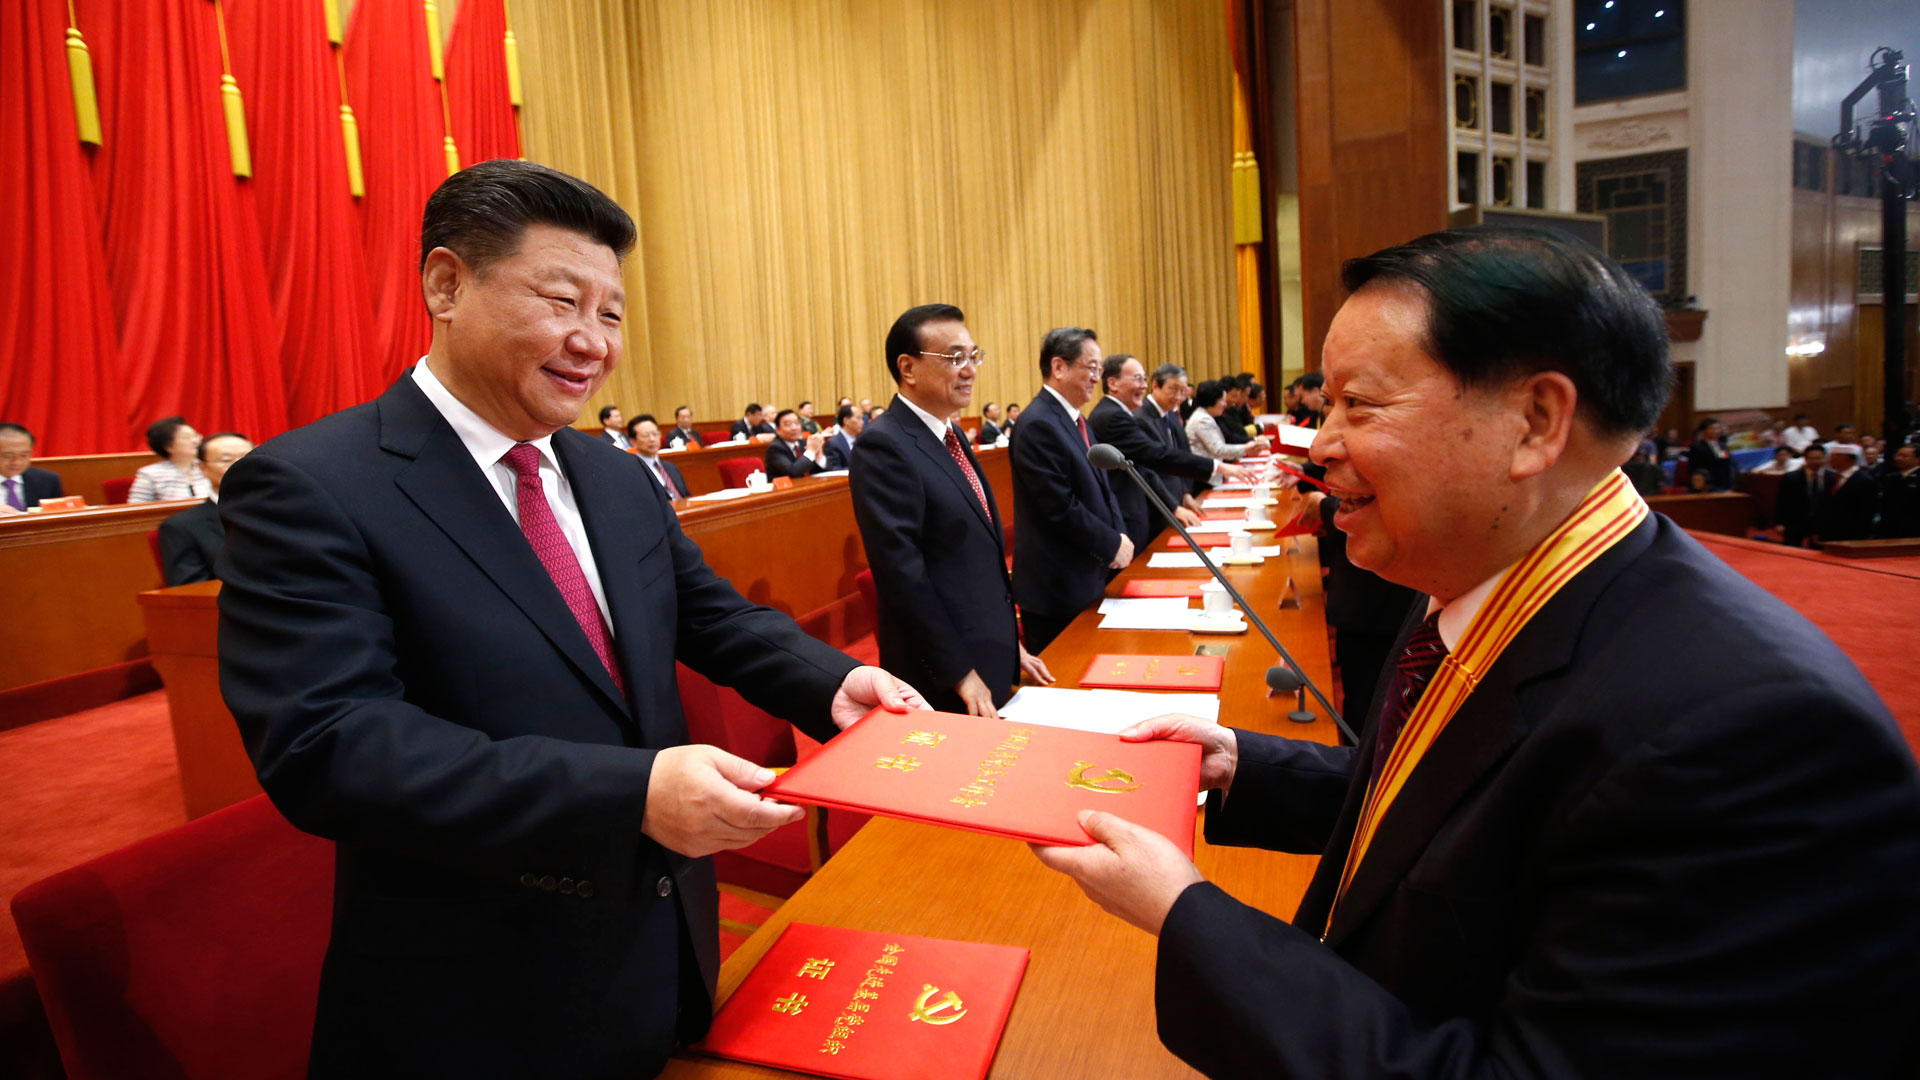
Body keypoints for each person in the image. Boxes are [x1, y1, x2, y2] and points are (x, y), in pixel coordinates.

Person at [1030, 226, 1920, 1077]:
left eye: (1358, 405)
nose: (1321, 445)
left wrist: (1188, 916)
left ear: (1535, 421)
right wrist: (1243, 765)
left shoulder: (1751, 738)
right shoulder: (1481, 585)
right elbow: (1455, 809)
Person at [214, 161, 925, 1078]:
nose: (592, 342)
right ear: (446, 285)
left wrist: (834, 681)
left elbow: (705, 614)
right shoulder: (311, 485)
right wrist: (629, 795)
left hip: (661, 944)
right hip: (478, 991)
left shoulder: (612, 476)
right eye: (562, 302)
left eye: (612, 314)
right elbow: (330, 747)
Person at [851, 304, 1053, 716]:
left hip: (988, 652)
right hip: (943, 681)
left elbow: (975, 556)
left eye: (973, 355)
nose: (970, 370)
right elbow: (903, 576)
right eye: (955, 357)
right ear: (908, 368)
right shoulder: (884, 445)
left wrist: (1009, 643)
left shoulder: (951, 434)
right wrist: (959, 672)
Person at [1009, 327, 1132, 654]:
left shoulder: (1077, 419)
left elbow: (1105, 487)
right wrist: (1110, 543)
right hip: (1056, 587)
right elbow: (1058, 507)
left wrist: (1120, 535)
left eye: (1099, 369)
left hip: (1086, 574)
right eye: (1091, 367)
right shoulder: (1037, 424)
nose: (1096, 378)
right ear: (1059, 367)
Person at [1087, 353, 1218, 551]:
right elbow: (1157, 455)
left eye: (1144, 379)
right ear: (1113, 383)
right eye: (1137, 379)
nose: (1143, 386)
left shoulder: (1120, 413)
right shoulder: (1111, 416)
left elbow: (1143, 466)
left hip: (1143, 512)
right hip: (1128, 514)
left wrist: (1180, 498)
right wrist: (1216, 466)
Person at [157, 432, 252, 585]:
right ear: (203, 468)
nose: (240, 466)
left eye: (248, 458)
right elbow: (191, 589)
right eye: (226, 460)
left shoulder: (285, 509)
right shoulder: (181, 526)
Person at [128, 416, 212, 503]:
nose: (196, 441)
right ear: (168, 446)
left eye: (196, 436)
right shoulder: (150, 474)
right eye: (187, 437)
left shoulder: (209, 467)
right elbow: (135, 507)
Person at [1185, 380, 1270, 464]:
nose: (1225, 404)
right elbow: (1219, 450)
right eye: (1222, 400)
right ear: (1213, 400)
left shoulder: (1206, 416)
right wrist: (1246, 448)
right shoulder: (1202, 420)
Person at [1775, 443, 1832, 548]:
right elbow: (1782, 501)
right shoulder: (1791, 477)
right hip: (1795, 520)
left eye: (1819, 458)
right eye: (1812, 458)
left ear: (1825, 458)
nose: (1816, 462)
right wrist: (1780, 522)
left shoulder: (1832, 477)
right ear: (1805, 459)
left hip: (1821, 523)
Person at [0, 422, 64, 514]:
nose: (17, 462)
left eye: (24, 455)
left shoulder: (48, 480)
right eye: (8, 456)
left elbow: (57, 516)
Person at [1818, 444, 1876, 542]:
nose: (1829, 460)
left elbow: (1866, 511)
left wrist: (1859, 536)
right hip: (1829, 534)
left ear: (1844, 458)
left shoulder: (1864, 480)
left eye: (1833, 457)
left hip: (1851, 534)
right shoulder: (1831, 478)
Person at [628, 414, 687, 500]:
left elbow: (686, 495)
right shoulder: (633, 472)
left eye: (655, 434)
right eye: (646, 435)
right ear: (633, 441)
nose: (652, 439)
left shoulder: (670, 466)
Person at [762, 409, 828, 479]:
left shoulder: (804, 443)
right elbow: (792, 472)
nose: (794, 428)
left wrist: (819, 457)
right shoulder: (775, 448)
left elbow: (827, 471)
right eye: (788, 424)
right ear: (778, 430)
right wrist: (811, 451)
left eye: (797, 423)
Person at [1878, 443, 1920, 538]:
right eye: (1898, 455)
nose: (1898, 458)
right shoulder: (1891, 478)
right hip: (1890, 528)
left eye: (1904, 456)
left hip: (1914, 529)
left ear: (1917, 459)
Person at [1687, 416, 1733, 491]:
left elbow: (1725, 463)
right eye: (1713, 429)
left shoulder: (1722, 445)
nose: (1717, 431)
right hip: (1708, 486)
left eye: (1718, 428)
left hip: (1725, 484)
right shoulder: (1697, 447)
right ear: (1703, 431)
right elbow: (1695, 469)